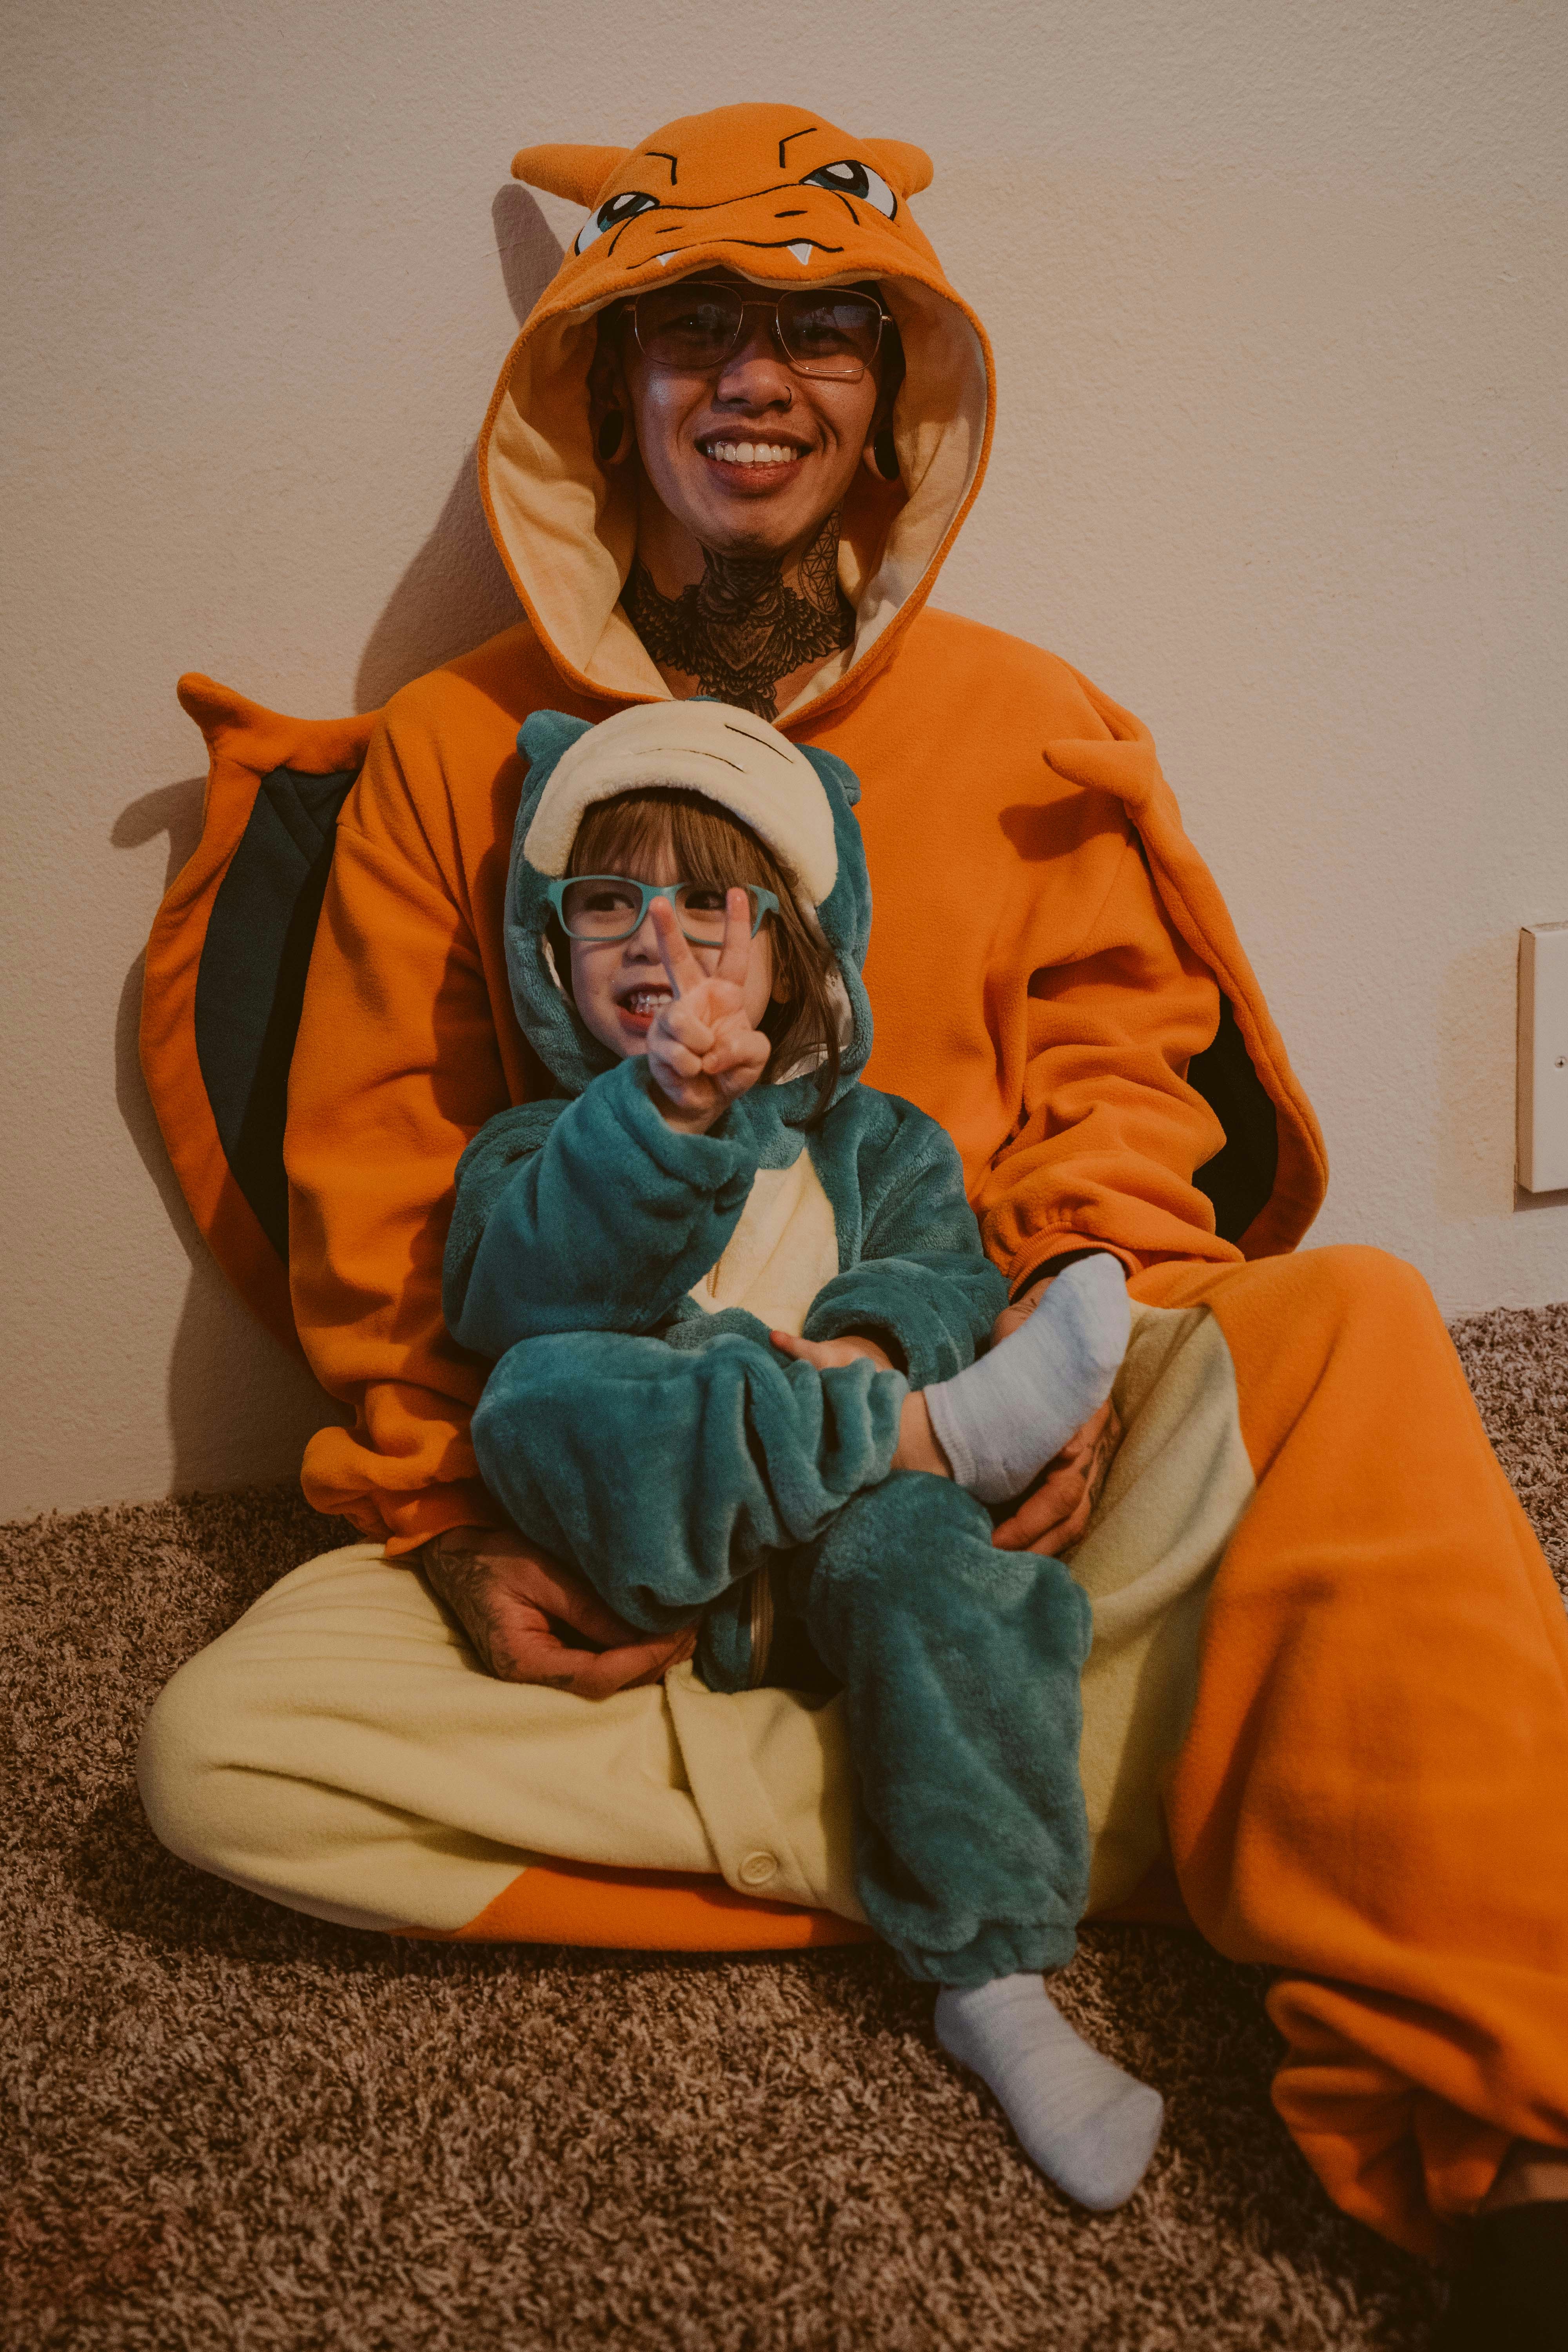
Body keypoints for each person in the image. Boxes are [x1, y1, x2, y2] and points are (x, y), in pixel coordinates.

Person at [137, 101, 1567, 2341]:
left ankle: (1507, 2141)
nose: (751, 380)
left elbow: (1113, 1094)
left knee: (1366, 1326)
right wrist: (445, 1533)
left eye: (816, 332)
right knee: (220, 1761)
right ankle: (1076, 1815)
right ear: (602, 394)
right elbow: (394, 1190)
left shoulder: (1028, 717)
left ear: (896, 400)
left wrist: (1075, 1342)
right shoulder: (450, 752)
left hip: (990, 1455)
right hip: (650, 1517)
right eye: (687, 327)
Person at [448, 695, 1155, 2210]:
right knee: (535, 1391)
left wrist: (884, 1340)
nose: (661, 942)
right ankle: (925, 1442)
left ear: (792, 956)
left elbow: (951, 1273)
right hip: (661, 1551)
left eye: (714, 905)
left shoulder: (877, 1140)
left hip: (850, 1546)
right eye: (608, 905)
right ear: (551, 952)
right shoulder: (527, 1145)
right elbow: (527, 1301)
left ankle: (1001, 1990)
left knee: (932, 1558)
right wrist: (653, 1122)